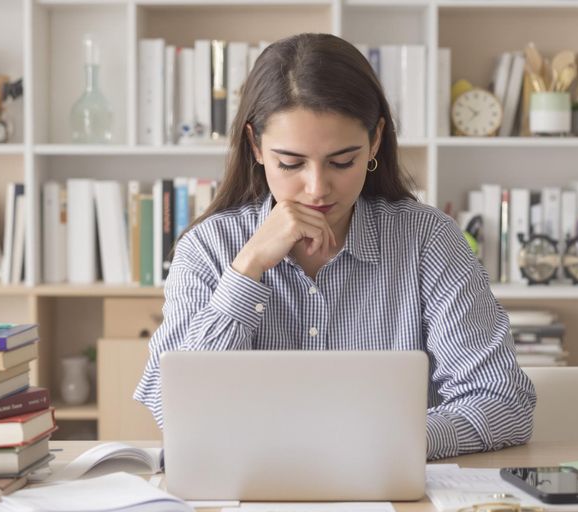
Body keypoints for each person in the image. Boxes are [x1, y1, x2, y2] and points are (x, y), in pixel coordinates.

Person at [135, 33, 535, 460]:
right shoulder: (208, 247)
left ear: (375, 140)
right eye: (290, 163)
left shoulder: (428, 241)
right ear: (255, 146)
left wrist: (386, 442)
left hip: (392, 490)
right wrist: (246, 270)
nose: (317, 188)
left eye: (342, 161)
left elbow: (502, 402)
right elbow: (169, 406)